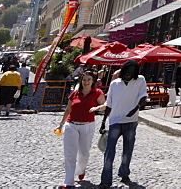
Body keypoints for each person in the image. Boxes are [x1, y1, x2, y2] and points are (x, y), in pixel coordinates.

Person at [99, 59, 148, 188]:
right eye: (127, 71)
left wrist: (136, 108)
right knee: (109, 151)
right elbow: (109, 104)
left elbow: (143, 96)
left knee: (128, 149)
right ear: (123, 71)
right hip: (115, 120)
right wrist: (103, 121)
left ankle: (124, 173)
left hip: (131, 122)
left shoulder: (140, 80)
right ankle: (105, 180)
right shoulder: (115, 84)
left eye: (132, 71)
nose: (129, 74)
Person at [57, 71, 105, 187]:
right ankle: (68, 182)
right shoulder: (74, 94)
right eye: (84, 80)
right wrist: (61, 124)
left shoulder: (97, 92)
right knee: (69, 153)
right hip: (71, 125)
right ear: (81, 81)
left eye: (89, 79)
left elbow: (105, 106)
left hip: (87, 125)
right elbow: (68, 109)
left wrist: (97, 108)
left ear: (93, 81)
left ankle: (81, 169)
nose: (86, 82)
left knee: (84, 153)